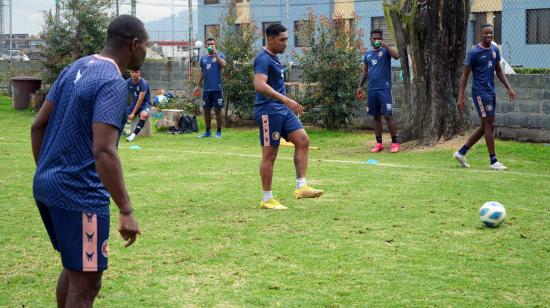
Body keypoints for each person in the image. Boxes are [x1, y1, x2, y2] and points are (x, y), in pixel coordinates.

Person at [31, 15, 146, 307]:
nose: (147, 52)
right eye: (146, 46)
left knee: (75, 269)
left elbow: (37, 126)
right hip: (80, 195)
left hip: (47, 186)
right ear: (133, 44)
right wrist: (126, 209)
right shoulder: (112, 82)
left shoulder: (74, 68)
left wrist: (48, 172)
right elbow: (104, 150)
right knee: (86, 284)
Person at [253, 23, 323, 210]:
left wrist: (285, 103)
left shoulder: (274, 58)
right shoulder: (263, 58)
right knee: (270, 154)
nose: (285, 43)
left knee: (302, 140)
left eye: (286, 39)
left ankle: (301, 187)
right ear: (270, 39)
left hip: (282, 110)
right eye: (282, 40)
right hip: (269, 110)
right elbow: (259, 85)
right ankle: (267, 198)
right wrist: (286, 100)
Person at [454, 23, 516, 170]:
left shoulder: (495, 50)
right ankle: (493, 161)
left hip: (491, 92)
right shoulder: (474, 52)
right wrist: (461, 96)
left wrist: (509, 88)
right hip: (480, 93)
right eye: (486, 33)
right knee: (490, 124)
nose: (489, 35)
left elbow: (499, 71)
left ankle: (461, 152)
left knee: (485, 126)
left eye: (491, 33)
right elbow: (465, 75)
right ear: (481, 35)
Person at [356, 29, 400, 153]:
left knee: (387, 115)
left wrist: (385, 44)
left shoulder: (385, 51)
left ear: (381, 39)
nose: (376, 40)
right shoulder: (368, 54)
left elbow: (397, 56)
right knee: (375, 117)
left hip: (384, 89)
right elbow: (365, 72)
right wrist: (360, 86)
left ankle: (395, 143)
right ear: (370, 39)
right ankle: (379, 143)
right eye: (374, 38)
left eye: (378, 38)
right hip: (372, 90)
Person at [194, 37, 226, 138]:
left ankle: (219, 132)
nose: (210, 46)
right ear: (206, 46)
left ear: (215, 45)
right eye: (209, 44)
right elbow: (202, 72)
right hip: (207, 90)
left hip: (217, 89)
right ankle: (208, 132)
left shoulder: (219, 56)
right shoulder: (203, 58)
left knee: (218, 110)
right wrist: (198, 85)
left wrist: (215, 53)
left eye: (212, 44)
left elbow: (224, 64)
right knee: (206, 111)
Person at [126, 70, 151, 142]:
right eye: (132, 72)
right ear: (130, 73)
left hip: (145, 104)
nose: (134, 74)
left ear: (139, 73)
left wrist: (133, 113)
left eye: (136, 72)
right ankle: (125, 131)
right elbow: (122, 93)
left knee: (143, 115)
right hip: (134, 103)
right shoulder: (128, 82)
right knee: (122, 114)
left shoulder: (143, 83)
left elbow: (140, 99)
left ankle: (133, 135)